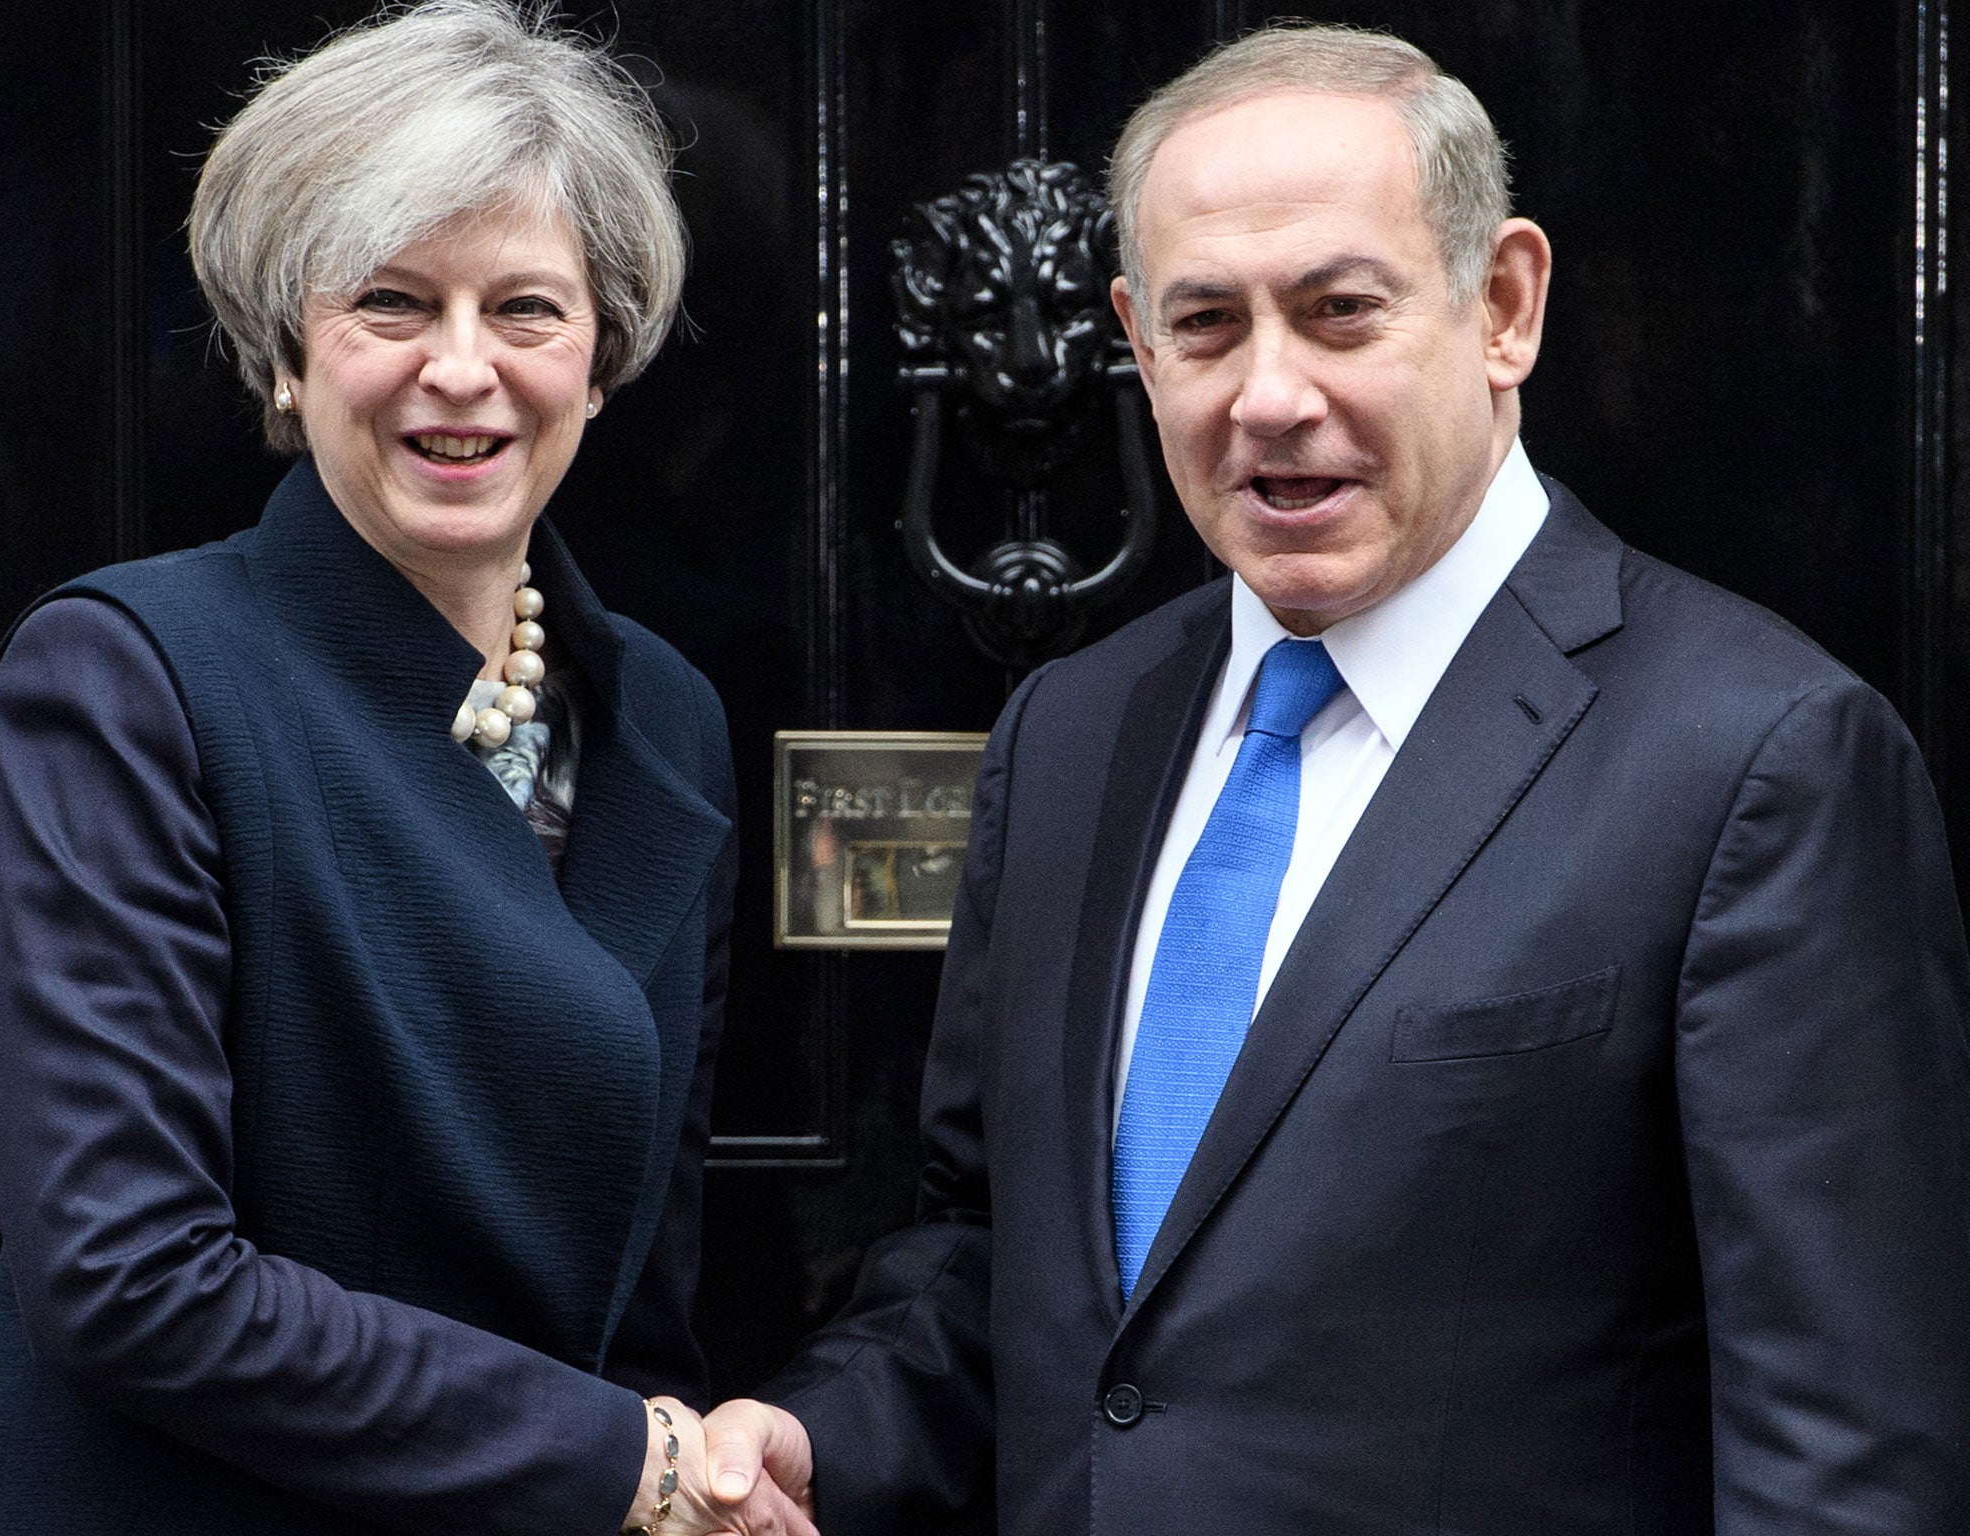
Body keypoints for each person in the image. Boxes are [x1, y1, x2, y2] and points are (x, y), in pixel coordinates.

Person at [700, 22, 1970, 1533]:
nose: (1269, 396)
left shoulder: (1759, 758)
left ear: (1502, 305)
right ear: (1134, 335)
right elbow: (994, 1258)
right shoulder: (1072, 732)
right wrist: (814, 1436)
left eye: (1339, 311)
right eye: (1206, 326)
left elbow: (1841, 1458)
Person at [0, 4, 811, 1533]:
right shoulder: (124, 679)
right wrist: (628, 1464)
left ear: (601, 360)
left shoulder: (659, 718)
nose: (461, 370)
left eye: (526, 309)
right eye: (393, 303)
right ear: (286, 354)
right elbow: (127, 1279)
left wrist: (698, 1462)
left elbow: (636, 1293)